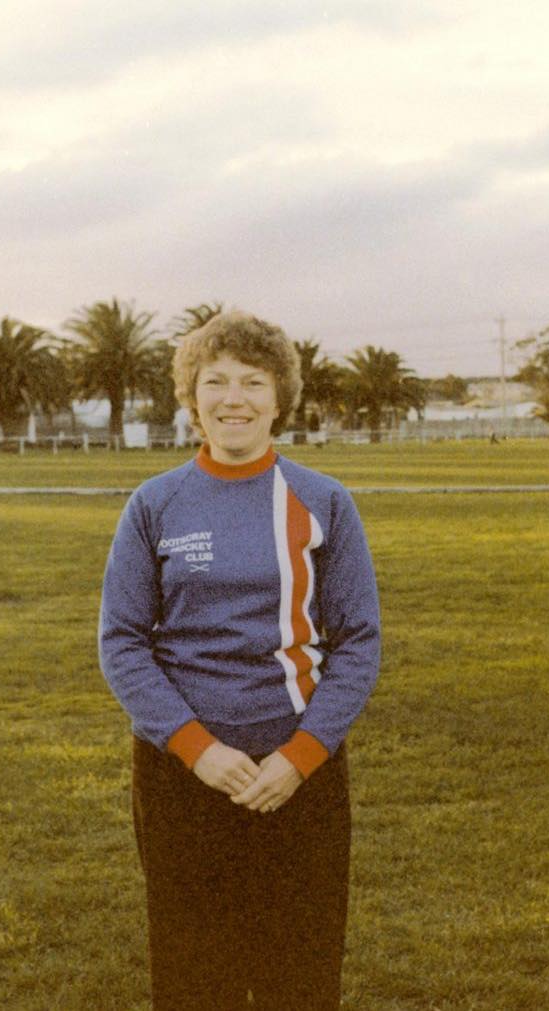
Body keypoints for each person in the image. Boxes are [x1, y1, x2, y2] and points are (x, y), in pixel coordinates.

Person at [99, 311, 381, 1010]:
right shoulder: (154, 504)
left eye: (253, 382)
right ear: (190, 397)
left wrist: (301, 757)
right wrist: (198, 750)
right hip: (183, 777)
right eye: (215, 381)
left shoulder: (324, 502)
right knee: (197, 979)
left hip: (299, 774)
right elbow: (123, 641)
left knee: (299, 977)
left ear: (280, 397)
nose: (234, 399)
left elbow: (358, 641)